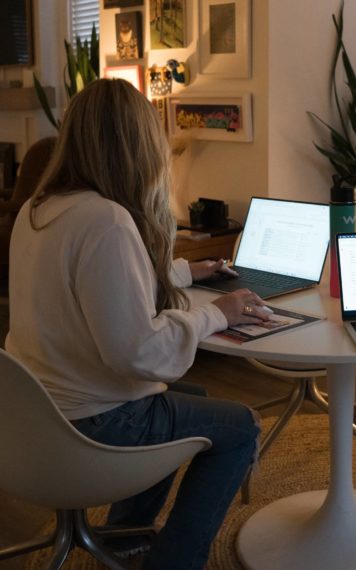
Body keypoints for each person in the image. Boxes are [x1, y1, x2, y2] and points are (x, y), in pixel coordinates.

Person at [5, 78, 270, 570]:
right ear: (138, 144)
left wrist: (189, 270)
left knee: (200, 402)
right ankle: (174, 561)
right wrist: (218, 312)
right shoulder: (106, 220)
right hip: (95, 423)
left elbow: (93, 289)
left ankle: (124, 538)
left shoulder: (39, 211)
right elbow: (138, 352)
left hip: (35, 415)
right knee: (241, 428)